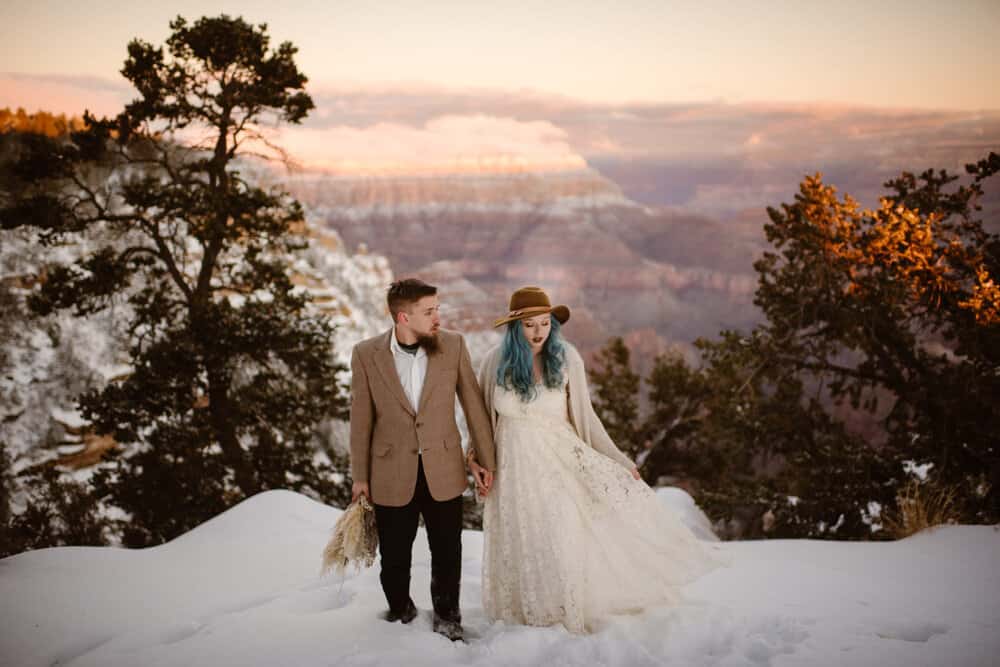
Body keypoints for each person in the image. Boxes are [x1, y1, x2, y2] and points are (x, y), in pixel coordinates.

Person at [470, 286, 730, 634]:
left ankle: (566, 610)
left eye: (544, 323)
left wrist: (619, 459)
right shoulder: (493, 362)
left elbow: (587, 419)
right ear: (515, 327)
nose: (538, 332)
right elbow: (482, 422)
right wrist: (477, 462)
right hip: (514, 467)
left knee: (560, 533)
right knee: (524, 537)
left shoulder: (566, 359)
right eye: (530, 325)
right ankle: (529, 610)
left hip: (557, 460)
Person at [349, 278, 496, 642]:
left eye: (437, 309)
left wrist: (488, 462)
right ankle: (401, 610)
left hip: (443, 468)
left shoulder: (454, 346)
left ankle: (448, 617)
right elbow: (361, 418)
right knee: (394, 558)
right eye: (429, 311)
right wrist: (360, 476)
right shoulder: (366, 354)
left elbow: (474, 407)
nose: (437, 317)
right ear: (403, 317)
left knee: (448, 551)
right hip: (389, 472)